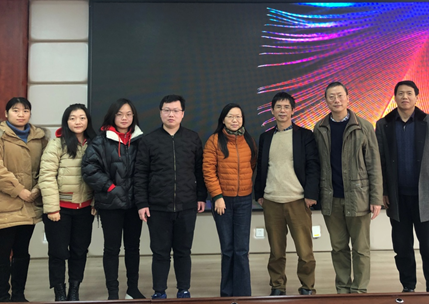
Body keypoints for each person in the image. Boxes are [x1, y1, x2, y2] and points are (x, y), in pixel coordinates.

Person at [375, 80, 429, 292]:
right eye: (400, 93)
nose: (404, 97)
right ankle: (408, 287)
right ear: (395, 97)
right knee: (402, 249)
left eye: (409, 93)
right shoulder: (384, 124)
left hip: (426, 197)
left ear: (416, 96)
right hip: (398, 198)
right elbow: (380, 161)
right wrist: (383, 191)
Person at [134, 95, 206, 299]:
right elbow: (140, 174)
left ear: (182, 114)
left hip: (187, 206)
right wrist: (142, 203)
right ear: (160, 113)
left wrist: (201, 197)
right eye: (167, 110)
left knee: (183, 251)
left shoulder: (192, 138)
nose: (171, 114)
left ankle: (184, 290)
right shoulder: (149, 140)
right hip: (158, 207)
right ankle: (159, 292)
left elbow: (200, 171)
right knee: (160, 252)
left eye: (175, 110)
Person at [313, 82, 382, 293]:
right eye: (331, 97)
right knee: (338, 248)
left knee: (361, 248)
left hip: (358, 197)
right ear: (326, 101)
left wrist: (376, 198)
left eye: (340, 95)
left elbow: (374, 164)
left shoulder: (363, 126)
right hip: (331, 198)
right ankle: (342, 289)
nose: (336, 100)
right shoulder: (319, 128)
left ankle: (359, 290)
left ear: (348, 98)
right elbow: (316, 164)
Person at [0, 97, 49, 302]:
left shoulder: (40, 138)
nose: (21, 114)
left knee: (22, 252)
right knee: (2, 251)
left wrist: (36, 190)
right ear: (6, 113)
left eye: (25, 110)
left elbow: (46, 167)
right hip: (4, 204)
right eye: (16, 110)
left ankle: (19, 295)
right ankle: (2, 297)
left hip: (29, 203)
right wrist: (19, 190)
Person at [254, 91, 320, 296]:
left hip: (297, 200)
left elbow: (313, 166)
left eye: (286, 107)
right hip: (271, 200)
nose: (282, 111)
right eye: (278, 107)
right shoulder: (266, 137)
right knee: (276, 251)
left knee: (305, 251)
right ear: (272, 110)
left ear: (293, 110)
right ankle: (277, 285)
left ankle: (307, 286)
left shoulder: (304, 135)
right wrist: (259, 193)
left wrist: (311, 194)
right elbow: (262, 167)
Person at [81, 98, 145, 300]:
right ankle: (113, 293)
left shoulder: (141, 140)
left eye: (128, 114)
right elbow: (89, 169)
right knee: (111, 249)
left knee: (133, 248)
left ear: (134, 117)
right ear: (112, 116)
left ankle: (132, 289)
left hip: (134, 204)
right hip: (110, 203)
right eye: (120, 114)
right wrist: (110, 187)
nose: (124, 118)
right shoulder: (99, 141)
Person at [38, 103, 97, 301]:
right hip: (60, 209)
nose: (77, 122)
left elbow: (102, 175)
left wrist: (96, 202)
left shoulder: (95, 143)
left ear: (88, 121)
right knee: (58, 252)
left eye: (82, 118)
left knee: (80, 251)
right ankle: (59, 292)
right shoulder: (57, 144)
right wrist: (52, 208)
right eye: (72, 118)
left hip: (85, 209)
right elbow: (46, 176)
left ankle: (74, 290)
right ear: (66, 121)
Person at [203, 103, 257, 297]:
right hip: (223, 201)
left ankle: (243, 294)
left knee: (241, 250)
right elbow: (208, 171)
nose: (235, 120)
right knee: (227, 249)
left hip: (244, 200)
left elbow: (252, 165)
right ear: (223, 119)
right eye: (231, 116)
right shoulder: (214, 140)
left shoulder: (248, 139)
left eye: (238, 117)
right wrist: (217, 196)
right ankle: (226, 294)